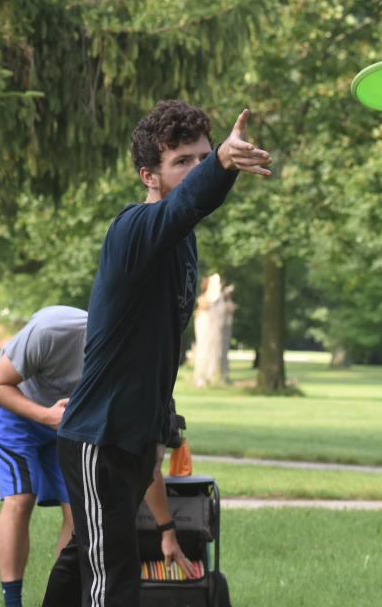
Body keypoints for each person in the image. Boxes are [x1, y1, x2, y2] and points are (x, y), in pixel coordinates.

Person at [42, 101, 270, 607]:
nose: (194, 169)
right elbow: (186, 205)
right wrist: (222, 166)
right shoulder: (134, 230)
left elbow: (157, 342)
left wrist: (163, 422)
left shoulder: (180, 241)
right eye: (181, 161)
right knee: (111, 578)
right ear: (149, 175)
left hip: (137, 433)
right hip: (99, 436)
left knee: (87, 551)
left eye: (201, 158)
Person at [0, 306, 197, 607]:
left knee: (79, 512)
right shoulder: (52, 331)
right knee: (21, 498)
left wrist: (167, 531)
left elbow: (145, 466)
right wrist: (45, 416)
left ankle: (64, 595)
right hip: (14, 404)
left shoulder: (130, 371)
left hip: (68, 422)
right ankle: (12, 601)